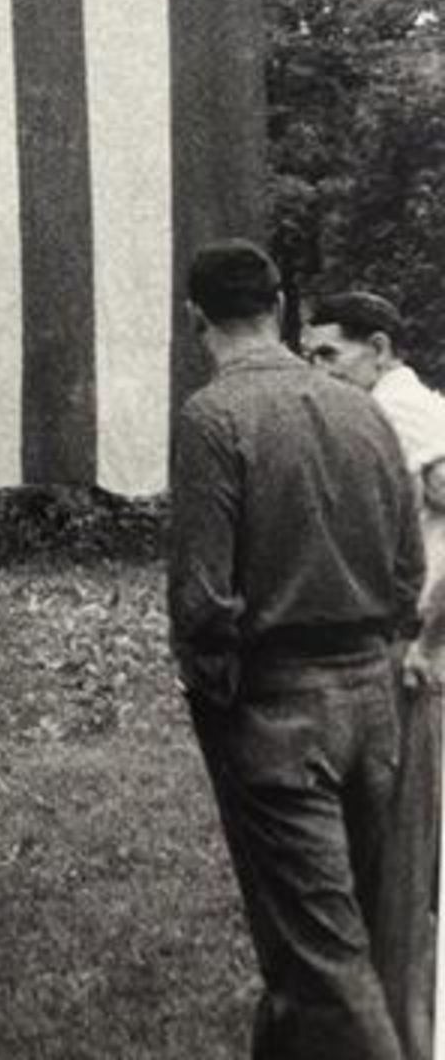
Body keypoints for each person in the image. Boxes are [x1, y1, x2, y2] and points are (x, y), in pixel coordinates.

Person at [169, 240, 423, 1060]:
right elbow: (409, 569)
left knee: (325, 956)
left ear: (194, 319)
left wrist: (215, 693)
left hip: (276, 709)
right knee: (345, 936)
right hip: (378, 705)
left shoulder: (213, 417)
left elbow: (202, 599)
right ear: (279, 306)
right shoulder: (364, 407)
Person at [304, 290, 445, 1060]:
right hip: (400, 644)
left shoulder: (401, 406)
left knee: (408, 859)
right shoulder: (381, 408)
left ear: (381, 347)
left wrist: (427, 637)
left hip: (424, 653)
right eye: (309, 355)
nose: (318, 369)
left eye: (331, 353)